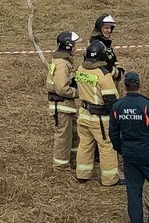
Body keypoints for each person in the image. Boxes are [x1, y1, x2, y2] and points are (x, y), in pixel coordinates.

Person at [111, 71, 149, 223]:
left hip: (129, 155)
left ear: (125, 87)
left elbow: (113, 133)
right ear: (140, 86)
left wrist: (121, 150)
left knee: (133, 191)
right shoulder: (148, 106)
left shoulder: (117, 106)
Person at [74, 40, 122, 185]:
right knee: (107, 146)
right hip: (100, 119)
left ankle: (82, 174)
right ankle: (109, 179)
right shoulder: (103, 75)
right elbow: (112, 100)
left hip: (83, 114)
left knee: (85, 145)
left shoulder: (80, 68)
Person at [45, 31, 80, 171]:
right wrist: (79, 93)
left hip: (66, 107)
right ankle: (60, 166)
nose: (76, 48)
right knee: (64, 137)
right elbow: (62, 89)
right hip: (62, 106)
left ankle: (72, 162)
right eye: (74, 45)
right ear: (68, 46)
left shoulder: (61, 61)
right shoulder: (62, 64)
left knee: (73, 135)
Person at [89, 14, 125, 86]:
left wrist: (119, 68)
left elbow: (113, 58)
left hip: (110, 80)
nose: (109, 30)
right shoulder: (95, 45)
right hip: (102, 83)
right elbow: (102, 66)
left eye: (110, 28)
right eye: (106, 28)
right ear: (99, 29)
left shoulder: (105, 43)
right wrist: (118, 74)